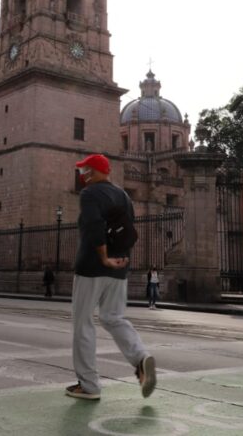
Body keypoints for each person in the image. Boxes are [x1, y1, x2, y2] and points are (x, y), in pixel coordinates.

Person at [66, 153, 156, 401]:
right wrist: (120, 259)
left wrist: (104, 257)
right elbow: (129, 229)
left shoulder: (90, 194)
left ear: (94, 171)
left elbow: (94, 226)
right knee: (113, 317)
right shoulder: (124, 196)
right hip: (120, 266)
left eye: (85, 170)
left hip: (92, 266)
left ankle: (89, 385)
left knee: (83, 322)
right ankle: (140, 358)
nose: (82, 174)